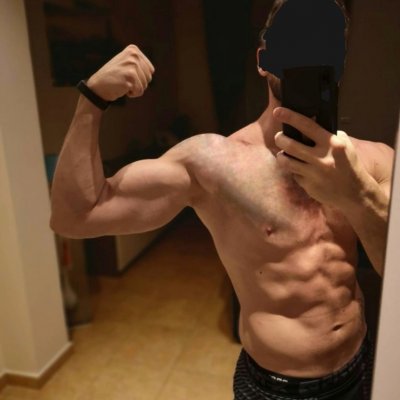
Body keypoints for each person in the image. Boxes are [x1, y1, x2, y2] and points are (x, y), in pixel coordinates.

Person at [50, 1, 394, 399]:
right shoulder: (214, 162)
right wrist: (91, 99)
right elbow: (76, 216)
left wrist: (358, 197)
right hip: (273, 389)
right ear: (263, 60)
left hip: (360, 370)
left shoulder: (374, 161)